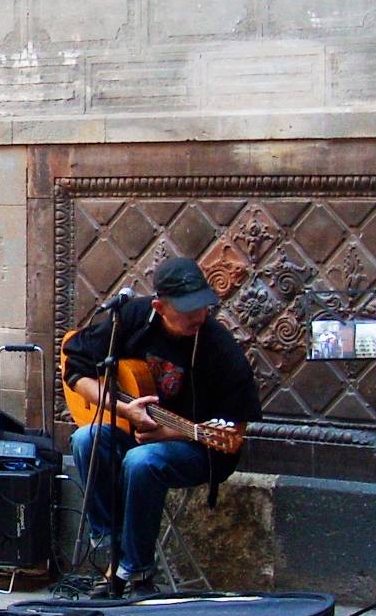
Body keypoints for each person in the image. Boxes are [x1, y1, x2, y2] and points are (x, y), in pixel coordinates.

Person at [62, 256, 261, 597]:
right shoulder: (134, 318)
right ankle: (114, 550)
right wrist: (125, 408)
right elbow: (75, 368)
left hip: (200, 449)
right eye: (187, 309)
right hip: (136, 431)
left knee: (143, 462)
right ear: (159, 306)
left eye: (203, 306)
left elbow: (234, 434)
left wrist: (169, 431)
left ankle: (136, 572)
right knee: (86, 438)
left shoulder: (217, 346)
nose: (198, 316)